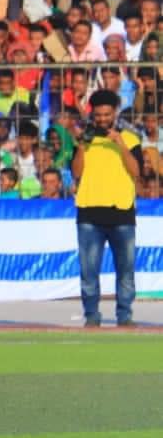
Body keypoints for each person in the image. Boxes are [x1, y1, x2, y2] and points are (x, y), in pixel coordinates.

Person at [73, 89, 141, 327]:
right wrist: (82, 146)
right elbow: (76, 173)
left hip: (122, 212)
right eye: (98, 115)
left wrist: (120, 144)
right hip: (89, 213)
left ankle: (125, 315)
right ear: (93, 115)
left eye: (107, 114)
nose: (102, 119)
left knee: (125, 271)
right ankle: (91, 315)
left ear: (115, 113)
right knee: (89, 271)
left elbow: (136, 171)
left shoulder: (131, 139)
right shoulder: (86, 140)